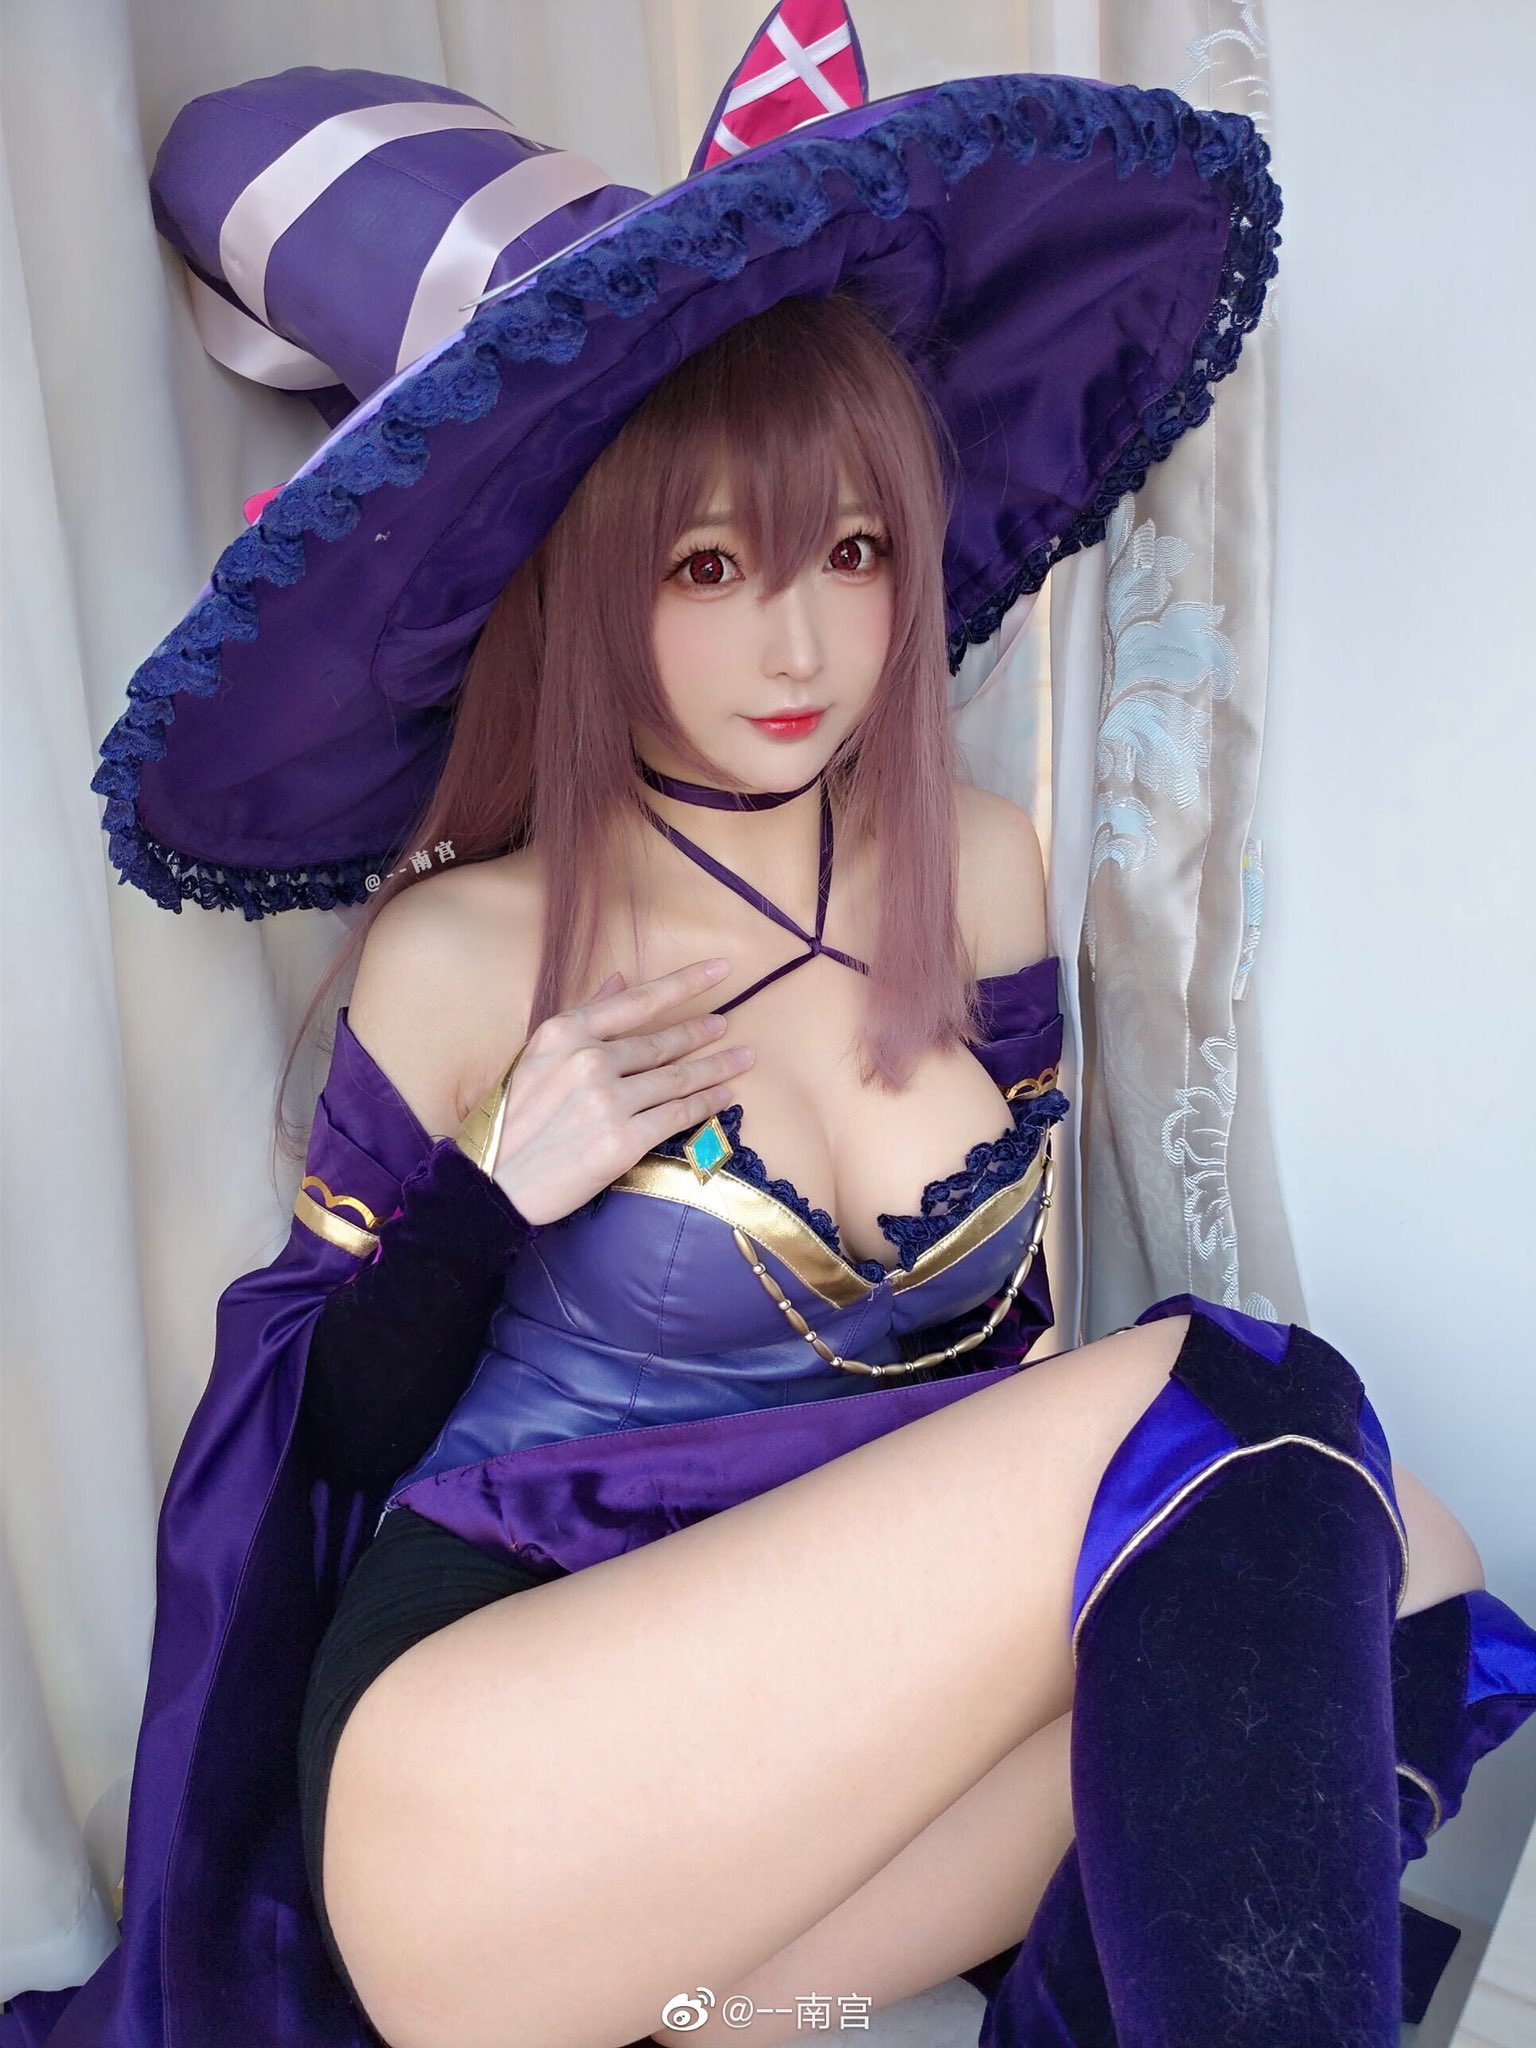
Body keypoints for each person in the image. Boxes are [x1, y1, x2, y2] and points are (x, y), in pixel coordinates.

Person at [7, 24, 1533, 2048]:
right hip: (491, 1788)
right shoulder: (471, 949)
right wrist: (486, 1201)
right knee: (1262, 1401)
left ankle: (732, 2009)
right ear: (591, 580)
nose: (800, 643)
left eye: (854, 552)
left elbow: (1023, 1366)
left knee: (1399, 1559)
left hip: (796, 1799)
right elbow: (319, 1454)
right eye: (710, 566)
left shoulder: (976, 874)